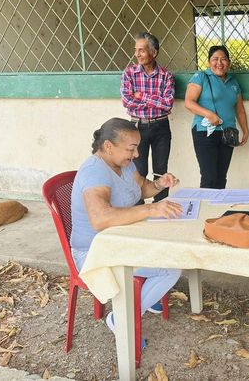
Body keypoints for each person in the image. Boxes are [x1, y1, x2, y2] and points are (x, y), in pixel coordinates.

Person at [70, 118, 182, 340]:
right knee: (171, 267)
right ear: (108, 146)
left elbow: (141, 189)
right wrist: (150, 210)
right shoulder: (94, 172)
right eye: (131, 148)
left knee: (171, 247)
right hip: (96, 253)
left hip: (121, 240)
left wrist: (159, 184)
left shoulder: (124, 163)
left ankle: (143, 299)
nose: (137, 154)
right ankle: (121, 319)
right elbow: (100, 219)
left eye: (137, 147)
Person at [184, 45, 249, 189]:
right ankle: (206, 204)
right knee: (209, 177)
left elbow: (239, 109)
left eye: (223, 59)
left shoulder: (233, 82)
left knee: (221, 177)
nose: (219, 63)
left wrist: (245, 130)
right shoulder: (201, 77)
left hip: (228, 133)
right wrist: (209, 114)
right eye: (215, 59)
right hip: (205, 132)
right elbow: (189, 102)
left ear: (229, 63)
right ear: (209, 62)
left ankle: (218, 203)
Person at [120, 32, 174, 202]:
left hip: (161, 126)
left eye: (141, 50)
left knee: (160, 170)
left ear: (153, 52)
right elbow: (127, 102)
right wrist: (155, 101)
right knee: (138, 171)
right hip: (137, 127)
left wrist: (142, 96)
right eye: (136, 50)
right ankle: (139, 209)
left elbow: (167, 104)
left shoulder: (166, 75)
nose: (137, 54)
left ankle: (161, 207)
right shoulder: (129, 73)